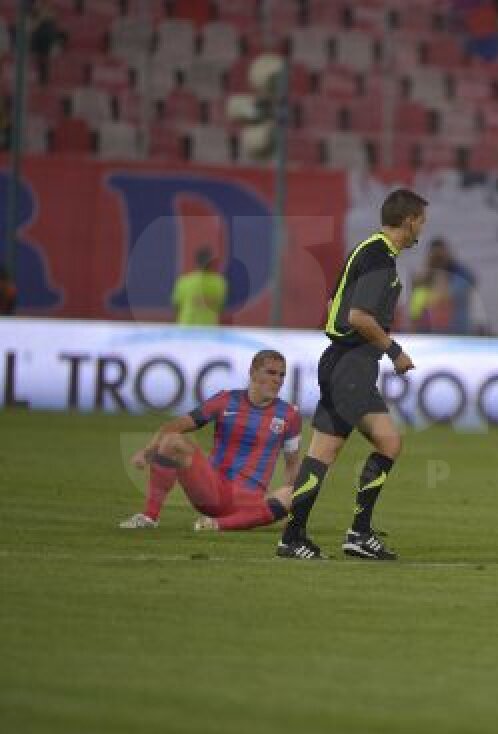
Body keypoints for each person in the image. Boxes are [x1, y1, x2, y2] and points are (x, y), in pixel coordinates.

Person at [277, 188, 427, 560]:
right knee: (388, 443)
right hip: (352, 366)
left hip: (339, 361)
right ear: (409, 220)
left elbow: (334, 303)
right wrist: (395, 352)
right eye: (421, 220)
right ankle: (356, 534)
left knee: (323, 454)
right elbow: (358, 316)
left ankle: (294, 537)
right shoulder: (380, 259)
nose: (421, 228)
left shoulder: (365, 250)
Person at [118, 350, 301, 532]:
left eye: (282, 375)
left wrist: (290, 511)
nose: (278, 380)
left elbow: (292, 465)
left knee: (297, 492)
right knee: (173, 441)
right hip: (211, 490)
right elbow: (175, 426)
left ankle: (216, 525)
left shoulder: (289, 415)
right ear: (253, 372)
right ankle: (149, 517)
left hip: (249, 501)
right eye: (271, 372)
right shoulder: (226, 400)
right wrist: (148, 451)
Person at [172, 246, 227, 326]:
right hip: (209, 331)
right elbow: (221, 307)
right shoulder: (219, 283)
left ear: (196, 262)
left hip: (186, 329)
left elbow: (176, 306)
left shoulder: (184, 281)